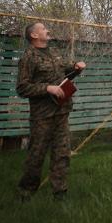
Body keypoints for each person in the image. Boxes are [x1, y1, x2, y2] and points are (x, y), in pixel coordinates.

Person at [16, 22, 86, 200]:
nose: (47, 30)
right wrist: (48, 88)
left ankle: (60, 192)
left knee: (62, 154)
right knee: (36, 155)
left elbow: (65, 72)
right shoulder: (28, 57)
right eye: (43, 29)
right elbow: (22, 88)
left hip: (61, 112)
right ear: (34, 35)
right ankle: (26, 192)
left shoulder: (54, 52)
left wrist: (76, 68)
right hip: (42, 116)